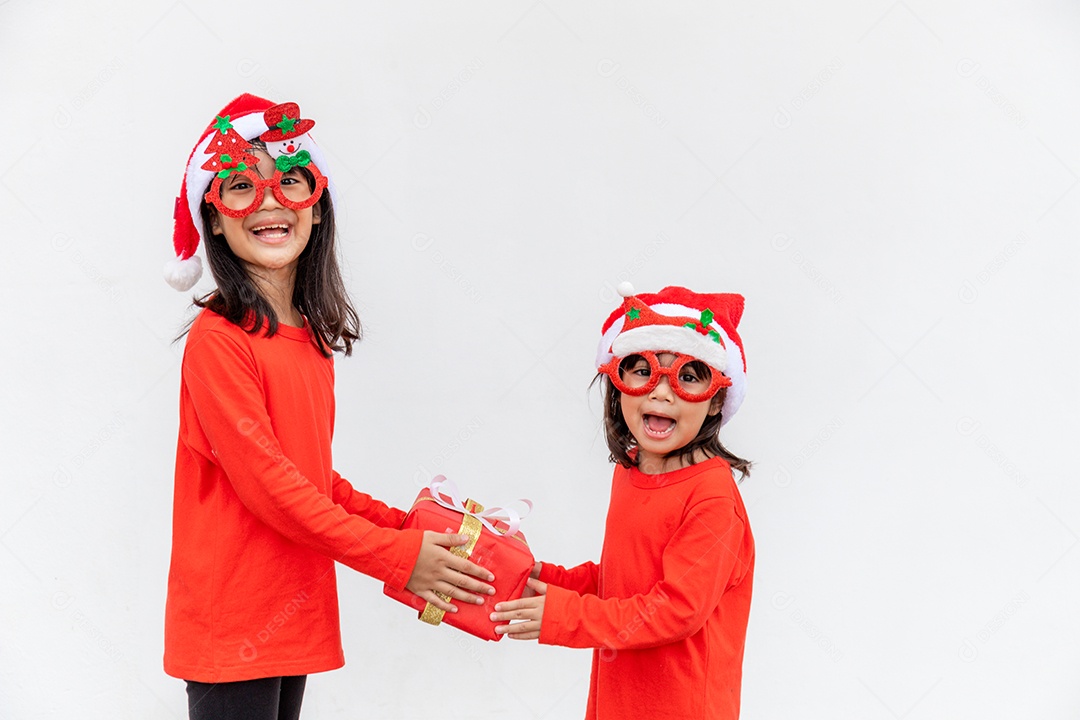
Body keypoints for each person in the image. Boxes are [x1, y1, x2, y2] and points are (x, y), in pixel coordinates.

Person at [162, 94, 495, 720]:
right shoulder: (219, 341)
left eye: (289, 181)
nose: (268, 201)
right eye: (239, 186)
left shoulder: (308, 338)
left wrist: (412, 531)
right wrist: (398, 558)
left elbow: (310, 478)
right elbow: (270, 488)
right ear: (213, 217)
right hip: (231, 621)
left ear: (317, 210)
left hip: (288, 609)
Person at [491, 283, 755, 719]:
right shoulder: (632, 471)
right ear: (618, 382)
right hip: (619, 701)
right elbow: (626, 582)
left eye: (688, 376)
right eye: (643, 371)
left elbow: (676, 610)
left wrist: (565, 616)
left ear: (715, 402)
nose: (662, 392)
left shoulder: (712, 499)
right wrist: (549, 580)